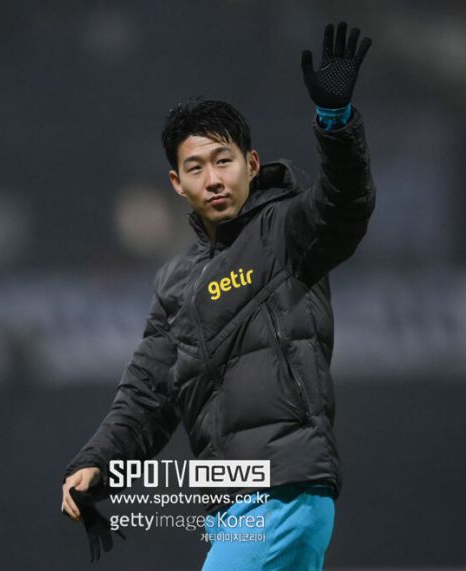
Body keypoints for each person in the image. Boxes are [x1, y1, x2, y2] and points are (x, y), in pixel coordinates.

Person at [62, 21, 374, 570]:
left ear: (251, 165)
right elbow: (146, 395)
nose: (212, 178)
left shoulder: (285, 231)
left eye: (223, 160)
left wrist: (335, 121)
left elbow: (344, 204)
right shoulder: (175, 283)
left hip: (281, 492)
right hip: (233, 507)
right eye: (196, 167)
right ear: (176, 183)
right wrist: (96, 461)